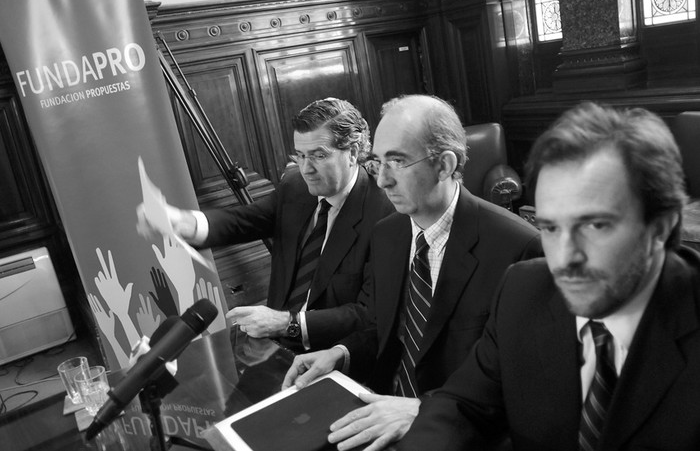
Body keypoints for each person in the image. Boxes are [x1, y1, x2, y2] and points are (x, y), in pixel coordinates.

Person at [397, 101, 700, 451]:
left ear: (661, 227)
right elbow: (461, 406)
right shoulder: (523, 290)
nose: (565, 259)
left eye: (595, 225)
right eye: (551, 228)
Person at [282, 94, 542, 450]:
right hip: (375, 412)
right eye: (377, 163)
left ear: (445, 165)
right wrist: (341, 353)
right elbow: (381, 327)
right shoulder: (388, 233)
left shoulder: (519, 248)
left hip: (458, 433)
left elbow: (523, 381)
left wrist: (422, 409)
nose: (384, 180)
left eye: (398, 162)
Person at [139, 97, 394, 352]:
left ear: (352, 153)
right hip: (275, 348)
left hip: (338, 355)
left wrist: (287, 323)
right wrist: (182, 222)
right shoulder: (296, 187)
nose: (306, 169)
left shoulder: (385, 214)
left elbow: (367, 314)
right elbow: (243, 221)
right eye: (300, 155)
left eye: (318, 156)